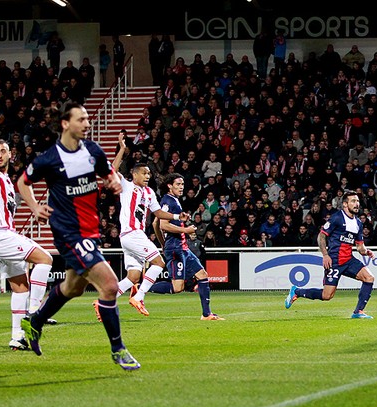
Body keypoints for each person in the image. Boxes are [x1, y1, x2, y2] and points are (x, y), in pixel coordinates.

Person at [17, 103, 140, 370]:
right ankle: (118, 348)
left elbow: (108, 173)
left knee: (73, 287)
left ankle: (35, 321)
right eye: (81, 119)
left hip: (90, 231)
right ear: (65, 124)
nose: (87, 123)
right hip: (68, 232)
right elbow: (22, 182)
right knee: (108, 286)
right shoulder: (49, 158)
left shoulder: (93, 150)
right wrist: (35, 206)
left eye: (87, 119)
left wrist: (114, 181)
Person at [92, 132, 188, 320]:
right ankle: (139, 297)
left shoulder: (150, 192)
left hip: (132, 237)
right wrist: (121, 149)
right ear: (134, 174)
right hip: (132, 234)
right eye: (144, 173)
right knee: (159, 263)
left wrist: (178, 215)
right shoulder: (127, 186)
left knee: (133, 277)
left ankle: (103, 302)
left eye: (149, 173)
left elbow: (159, 214)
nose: (147, 176)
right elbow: (112, 169)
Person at [0, 136, 54, 350]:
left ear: (11, 154)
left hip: (4, 235)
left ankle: (16, 337)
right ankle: (35, 311)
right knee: (45, 258)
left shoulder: (6, 180)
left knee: (20, 287)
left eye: (3, 151)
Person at [285, 189, 376, 319]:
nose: (357, 204)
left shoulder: (358, 223)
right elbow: (321, 236)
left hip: (349, 260)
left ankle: (358, 312)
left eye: (358, 201)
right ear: (345, 204)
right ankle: (297, 292)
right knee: (327, 296)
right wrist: (325, 255)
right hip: (334, 261)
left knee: (369, 278)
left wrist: (366, 252)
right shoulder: (337, 218)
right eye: (353, 201)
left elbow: (360, 247)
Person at [149, 172, 224, 320]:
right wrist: (186, 230)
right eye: (178, 184)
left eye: (182, 184)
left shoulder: (171, 201)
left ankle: (206, 314)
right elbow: (163, 225)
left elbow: (155, 224)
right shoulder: (170, 202)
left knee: (202, 275)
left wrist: (163, 244)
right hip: (176, 248)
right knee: (177, 288)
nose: (181, 187)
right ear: (170, 186)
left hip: (181, 247)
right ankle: (141, 287)